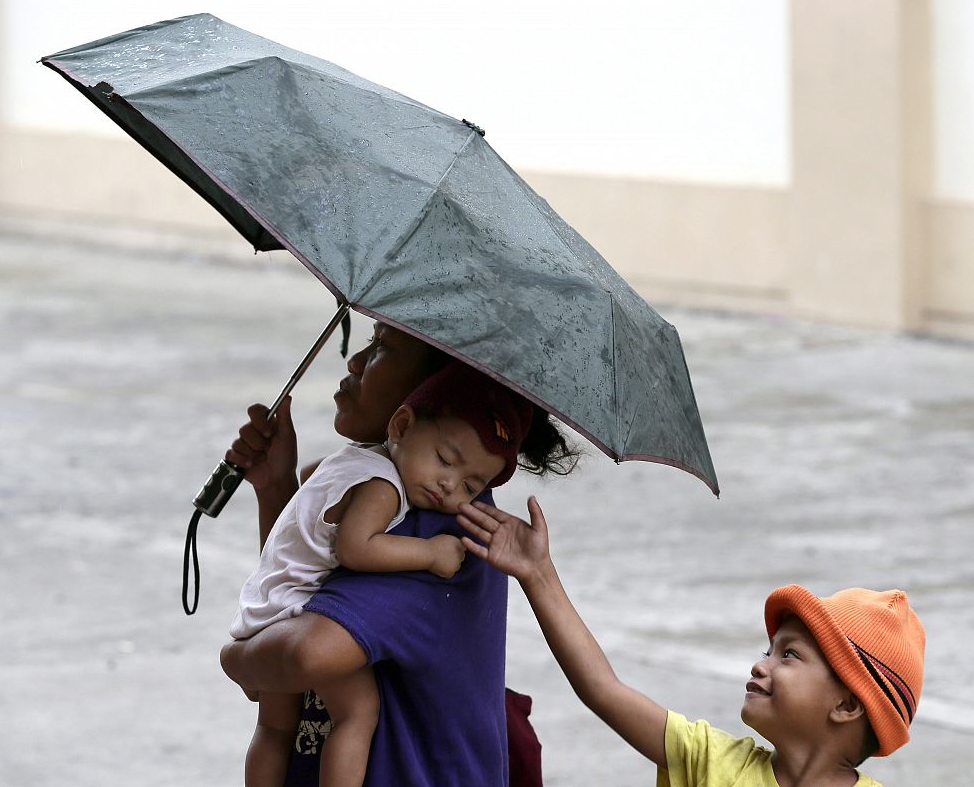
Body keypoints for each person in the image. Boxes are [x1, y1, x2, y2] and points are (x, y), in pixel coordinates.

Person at [222, 320, 577, 786]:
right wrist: (277, 490)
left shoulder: (439, 533)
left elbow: (301, 657)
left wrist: (237, 655)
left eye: (382, 348)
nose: (355, 362)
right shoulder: (374, 489)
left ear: (423, 393)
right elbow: (301, 583)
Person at [458, 498, 926, 787]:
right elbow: (602, 688)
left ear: (846, 704)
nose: (760, 666)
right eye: (768, 651)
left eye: (789, 655)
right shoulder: (711, 762)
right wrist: (538, 574)